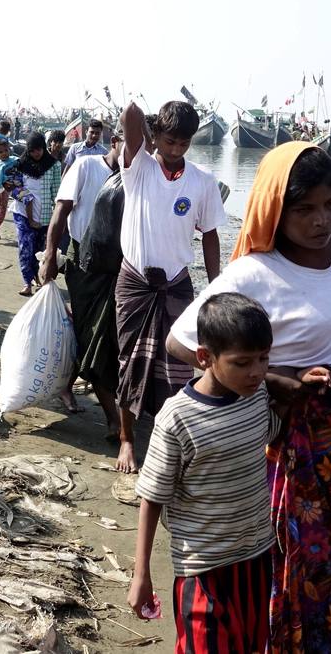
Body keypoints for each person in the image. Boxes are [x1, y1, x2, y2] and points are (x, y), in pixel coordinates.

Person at [166, 142, 331, 652]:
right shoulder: (254, 275)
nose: (322, 219)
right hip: (289, 447)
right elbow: (182, 341)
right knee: (303, 573)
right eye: (304, 209)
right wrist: (272, 378)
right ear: (277, 209)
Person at [129, 292, 329, 652]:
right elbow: (152, 498)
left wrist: (299, 382)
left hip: (256, 560)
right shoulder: (177, 419)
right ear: (205, 358)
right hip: (203, 568)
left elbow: (274, 428)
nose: (256, 372)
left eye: (263, 359)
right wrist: (141, 574)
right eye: (242, 363)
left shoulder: (255, 398)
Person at [113, 100, 225, 473]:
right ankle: (127, 440)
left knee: (177, 368)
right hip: (134, 282)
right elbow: (129, 114)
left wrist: (215, 285)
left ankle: (168, 441)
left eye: (183, 143)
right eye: (170, 140)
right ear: (157, 136)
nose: (176, 150)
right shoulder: (138, 166)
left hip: (177, 284)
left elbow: (209, 235)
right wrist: (148, 130)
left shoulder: (203, 182)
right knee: (130, 361)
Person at [41, 131, 124, 419]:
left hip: (120, 265)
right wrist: (50, 256)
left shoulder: (139, 175)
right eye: (132, 145)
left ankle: (81, 382)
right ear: (115, 141)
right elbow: (61, 212)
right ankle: (108, 412)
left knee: (107, 332)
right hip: (84, 262)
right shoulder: (86, 167)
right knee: (90, 332)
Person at [1, 131, 61, 296]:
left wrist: (60, 213)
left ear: (44, 148)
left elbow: (56, 192)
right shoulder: (20, 164)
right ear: (28, 150)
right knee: (25, 248)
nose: (37, 153)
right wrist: (24, 196)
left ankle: (38, 277)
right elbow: (8, 185)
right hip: (22, 214)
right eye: (33, 150)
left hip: (44, 215)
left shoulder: (54, 165)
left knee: (40, 250)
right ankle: (27, 282)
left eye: (40, 149)